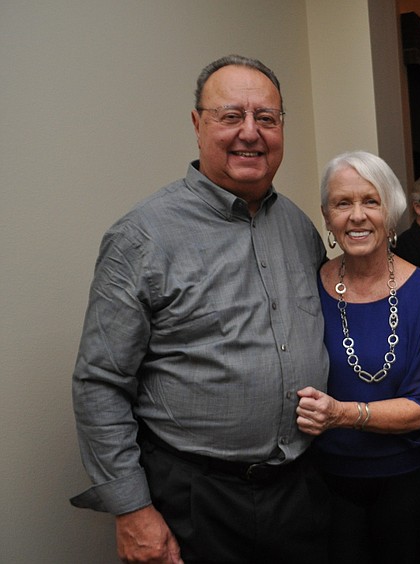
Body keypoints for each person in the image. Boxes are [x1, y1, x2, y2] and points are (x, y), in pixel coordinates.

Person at [70, 55, 330, 563]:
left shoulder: (301, 229)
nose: (250, 133)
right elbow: (100, 383)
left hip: (300, 491)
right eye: (230, 116)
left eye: (267, 118)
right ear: (197, 124)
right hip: (195, 498)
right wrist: (132, 511)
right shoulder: (141, 237)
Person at [296, 151, 420, 564]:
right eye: (342, 203)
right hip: (326, 481)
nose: (356, 216)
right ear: (327, 216)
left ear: (391, 212)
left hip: (408, 480)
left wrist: (341, 414)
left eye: (370, 201)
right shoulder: (308, 287)